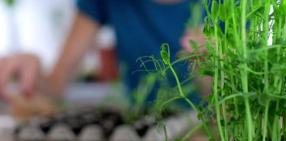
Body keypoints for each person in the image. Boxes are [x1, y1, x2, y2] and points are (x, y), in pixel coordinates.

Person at [0, 0, 203, 107]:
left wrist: (213, 67)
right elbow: (55, 87)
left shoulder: (230, 6)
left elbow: (229, 113)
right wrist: (30, 72)